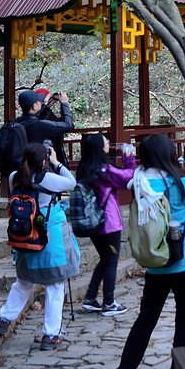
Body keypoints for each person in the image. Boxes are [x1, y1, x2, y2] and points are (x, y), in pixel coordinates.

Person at [112, 134, 185, 369]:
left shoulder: (137, 182)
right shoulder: (181, 184)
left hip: (155, 263)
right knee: (184, 322)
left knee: (145, 319)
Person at [0, 142, 79, 349]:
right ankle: (50, 334)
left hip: (24, 238)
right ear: (43, 161)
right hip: (48, 237)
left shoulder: (15, 177)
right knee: (55, 285)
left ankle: (5, 318)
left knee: (23, 281)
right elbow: (71, 183)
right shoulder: (47, 179)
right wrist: (56, 162)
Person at [77, 134, 137, 316]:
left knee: (105, 259)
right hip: (108, 224)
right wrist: (129, 158)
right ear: (98, 147)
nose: (109, 145)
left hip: (93, 222)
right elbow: (128, 178)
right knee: (111, 261)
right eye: (106, 143)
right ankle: (109, 303)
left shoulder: (85, 168)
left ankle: (90, 298)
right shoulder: (104, 170)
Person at [17, 89, 74, 161]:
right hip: (37, 165)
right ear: (34, 106)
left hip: (24, 162)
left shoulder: (18, 122)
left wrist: (47, 107)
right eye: (39, 102)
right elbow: (68, 125)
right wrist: (64, 103)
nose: (42, 103)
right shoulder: (39, 125)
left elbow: (37, 118)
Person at [34, 87, 69, 165]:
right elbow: (67, 125)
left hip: (54, 150)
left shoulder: (45, 113)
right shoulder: (37, 119)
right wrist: (64, 104)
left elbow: (63, 123)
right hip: (49, 152)